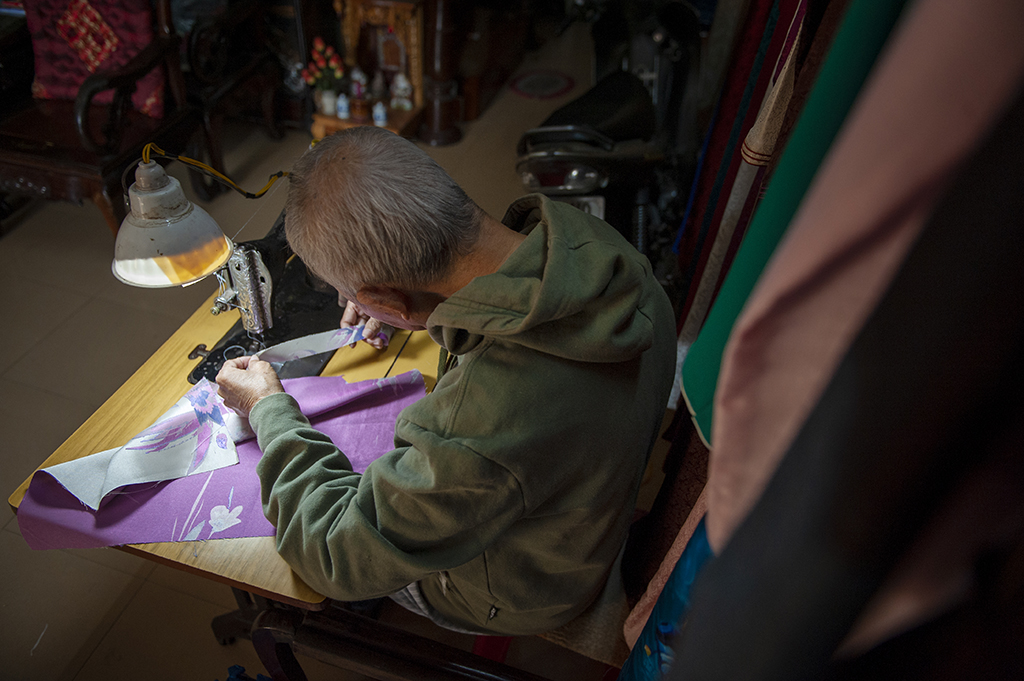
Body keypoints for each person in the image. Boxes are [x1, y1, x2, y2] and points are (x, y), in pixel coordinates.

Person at [216, 126, 677, 635]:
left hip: (522, 592)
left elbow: (335, 555)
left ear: (389, 302)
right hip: (585, 509)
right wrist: (413, 308)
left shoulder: (481, 423)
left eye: (353, 294)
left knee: (287, 556)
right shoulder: (593, 249)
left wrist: (269, 411)